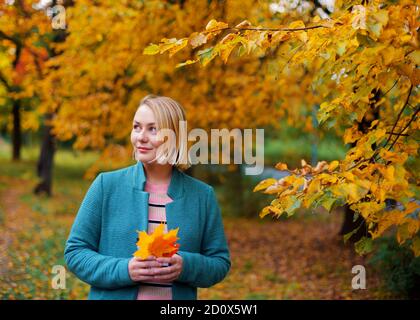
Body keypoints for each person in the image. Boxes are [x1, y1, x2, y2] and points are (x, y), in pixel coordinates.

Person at [64, 94, 231, 300]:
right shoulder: (106, 186)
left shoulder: (202, 196)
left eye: (153, 129)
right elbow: (75, 253)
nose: (141, 137)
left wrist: (185, 266)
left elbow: (219, 263)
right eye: (137, 127)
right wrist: (125, 270)